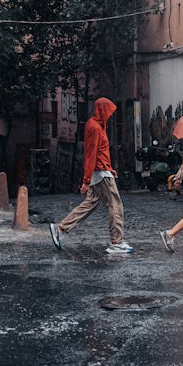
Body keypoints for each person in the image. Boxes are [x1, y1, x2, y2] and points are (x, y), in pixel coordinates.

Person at [49, 97, 133, 255]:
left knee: (90, 204)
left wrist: (109, 168)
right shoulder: (94, 127)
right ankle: (116, 242)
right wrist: (86, 180)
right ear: (102, 110)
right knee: (115, 205)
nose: (109, 115)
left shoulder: (97, 126)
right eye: (108, 111)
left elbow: (99, 152)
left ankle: (60, 228)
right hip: (100, 173)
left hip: (101, 171)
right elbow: (91, 153)